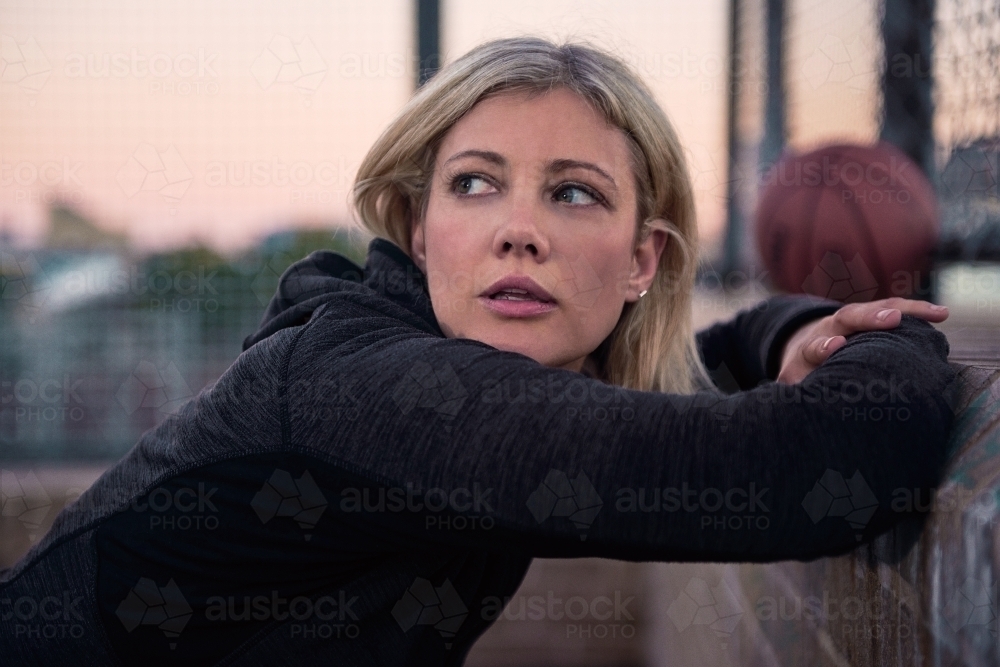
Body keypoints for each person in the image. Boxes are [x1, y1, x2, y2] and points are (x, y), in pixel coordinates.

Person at [0, 38, 956, 666]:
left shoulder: (498, 371)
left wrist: (794, 328)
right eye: (474, 184)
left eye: (573, 192)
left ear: (641, 260)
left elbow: (707, 354)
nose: (518, 230)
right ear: (419, 233)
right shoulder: (371, 384)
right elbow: (816, 466)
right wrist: (909, 334)